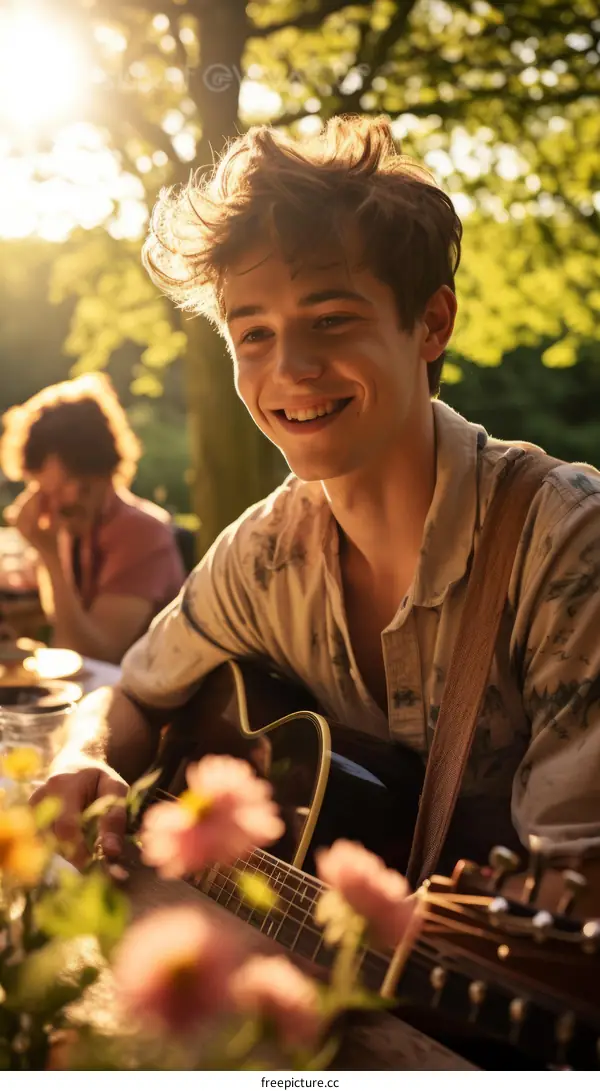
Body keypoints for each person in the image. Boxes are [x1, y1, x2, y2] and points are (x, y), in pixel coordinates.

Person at [32, 116, 600, 906]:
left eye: (330, 320)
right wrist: (81, 754)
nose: (289, 370)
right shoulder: (262, 554)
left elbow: (575, 895)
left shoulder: (568, 545)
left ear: (432, 324)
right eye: (253, 333)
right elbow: (132, 692)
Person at [1, 373, 185, 664]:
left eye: (66, 486)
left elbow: (93, 654)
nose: (58, 502)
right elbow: (62, 620)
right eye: (44, 489)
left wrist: (48, 554)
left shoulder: (142, 533)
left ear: (100, 471)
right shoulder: (73, 529)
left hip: (146, 700)